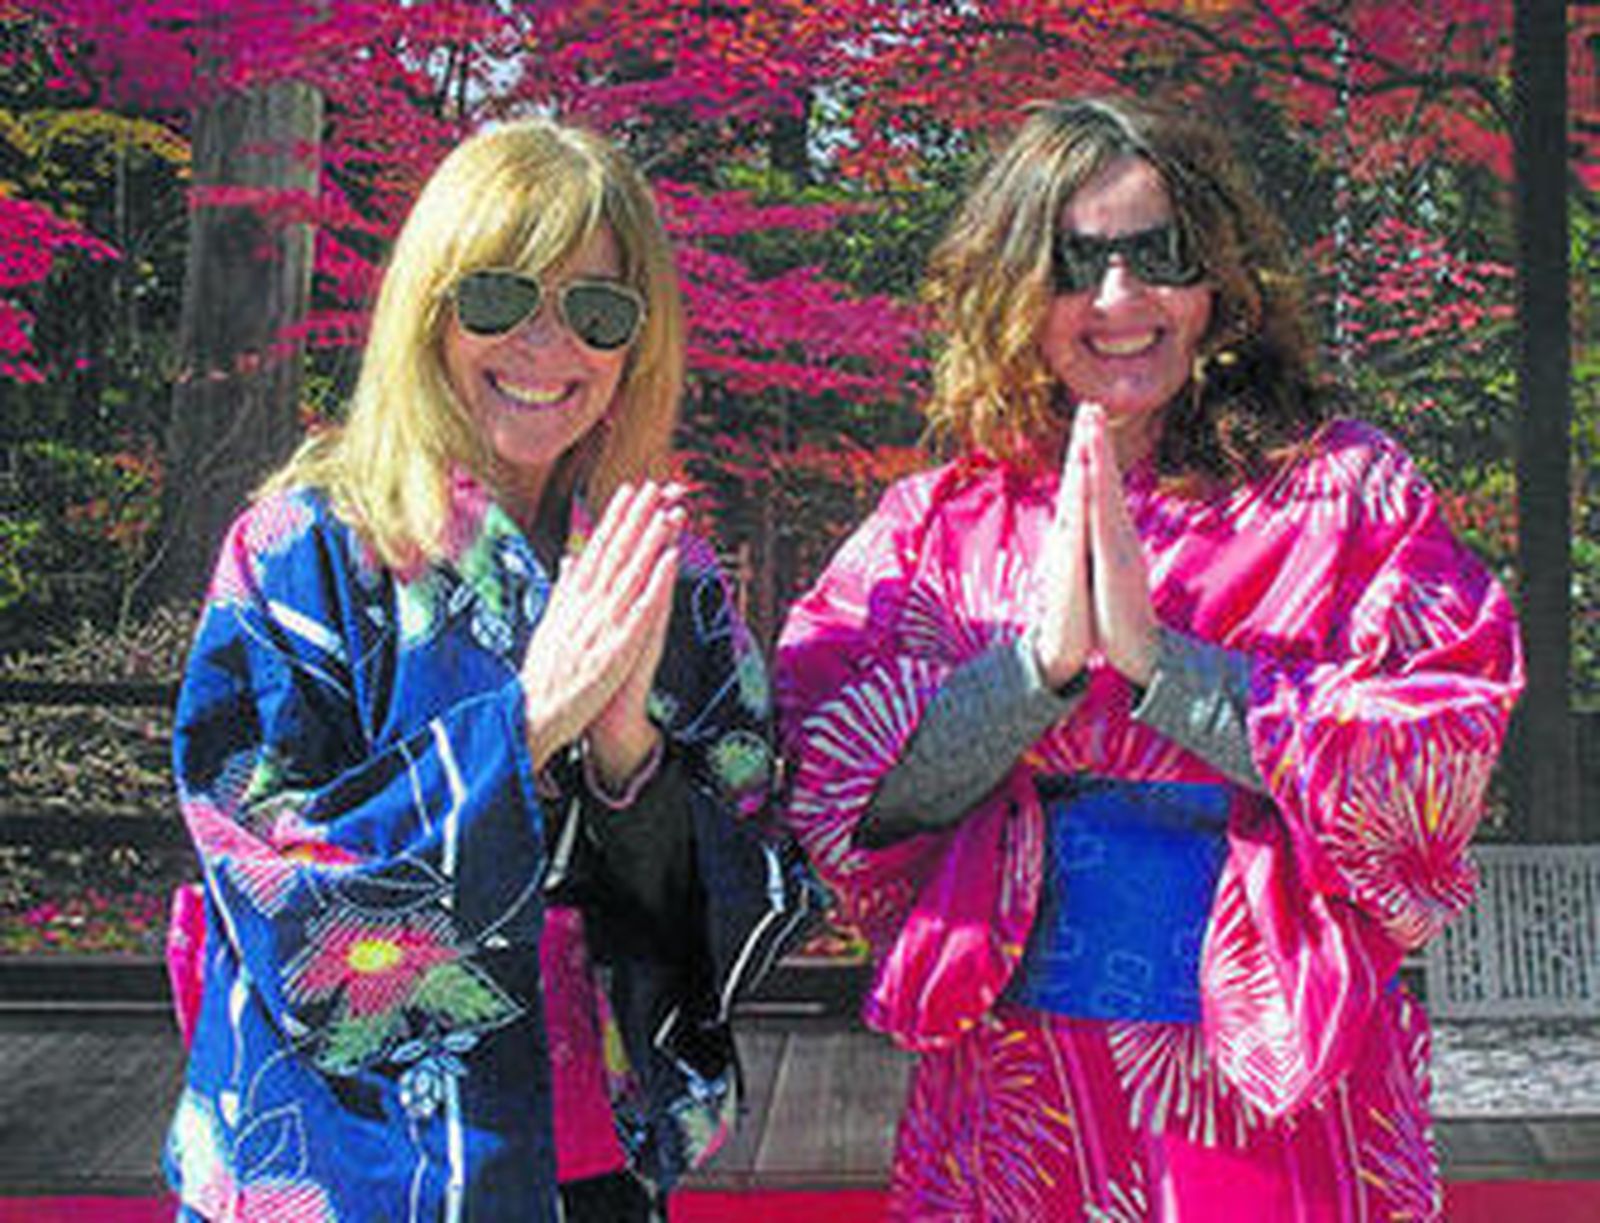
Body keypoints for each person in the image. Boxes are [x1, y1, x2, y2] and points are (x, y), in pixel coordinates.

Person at [776, 95, 1523, 1220]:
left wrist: (1172, 673)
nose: (1120, 299)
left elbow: (1437, 754)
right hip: (1016, 1083)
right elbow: (833, 786)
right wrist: (1035, 672)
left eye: (1159, 255)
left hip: (1275, 1076)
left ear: (1216, 276)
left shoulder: (1347, 492)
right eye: (1073, 264)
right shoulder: (937, 521)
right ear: (1011, 288)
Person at [164, 117, 817, 1222]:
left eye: (597, 311)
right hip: (345, 1165)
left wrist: (630, 761)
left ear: (638, 343)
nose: (546, 346)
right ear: (430, 307)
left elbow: (747, 893)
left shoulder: (671, 575)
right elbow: (270, 884)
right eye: (501, 297)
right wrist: (524, 726)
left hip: (590, 1158)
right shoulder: (302, 551)